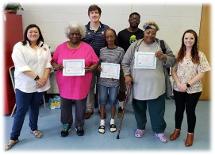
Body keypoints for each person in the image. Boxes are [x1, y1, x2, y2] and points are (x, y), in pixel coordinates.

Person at [121, 21, 175, 143]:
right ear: (144, 32)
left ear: (156, 34)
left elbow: (172, 60)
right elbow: (125, 62)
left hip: (157, 86)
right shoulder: (135, 45)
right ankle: (140, 128)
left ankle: (159, 131)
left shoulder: (162, 44)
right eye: (148, 32)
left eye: (153, 33)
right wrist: (127, 75)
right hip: (138, 85)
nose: (150, 35)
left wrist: (164, 57)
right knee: (139, 109)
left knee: (157, 111)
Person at [5, 24, 52, 150]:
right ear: (26, 33)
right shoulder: (19, 46)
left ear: (39, 33)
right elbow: (21, 66)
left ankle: (34, 129)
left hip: (39, 85)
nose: (33, 34)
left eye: (35, 32)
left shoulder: (44, 46)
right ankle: (13, 137)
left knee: (35, 107)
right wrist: (38, 78)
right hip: (24, 85)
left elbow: (48, 64)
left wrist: (44, 78)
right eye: (30, 32)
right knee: (21, 110)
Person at [51, 23, 99, 137]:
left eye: (77, 34)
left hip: (81, 82)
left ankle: (79, 124)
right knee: (65, 104)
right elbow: (53, 61)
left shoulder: (87, 48)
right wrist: (55, 66)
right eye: (72, 34)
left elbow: (96, 61)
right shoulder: (60, 47)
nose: (75, 36)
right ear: (68, 35)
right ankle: (66, 124)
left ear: (81, 34)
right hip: (65, 83)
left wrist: (92, 68)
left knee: (81, 105)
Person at [169, 29, 210, 147]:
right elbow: (173, 70)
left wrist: (187, 85)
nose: (188, 40)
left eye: (191, 38)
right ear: (183, 40)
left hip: (194, 89)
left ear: (195, 40)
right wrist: (179, 84)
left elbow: (202, 73)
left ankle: (190, 134)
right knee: (179, 110)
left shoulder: (200, 55)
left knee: (190, 111)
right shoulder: (179, 53)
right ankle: (177, 130)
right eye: (186, 38)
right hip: (178, 88)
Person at [83, 4, 109, 119]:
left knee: (101, 86)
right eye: (92, 13)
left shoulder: (106, 28)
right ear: (89, 15)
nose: (94, 14)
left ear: (100, 14)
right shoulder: (83, 29)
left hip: (102, 63)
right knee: (89, 86)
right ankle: (89, 109)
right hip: (88, 64)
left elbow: (110, 44)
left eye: (96, 12)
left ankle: (101, 108)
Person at [97, 28, 125, 134]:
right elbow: (99, 63)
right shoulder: (102, 50)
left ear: (115, 37)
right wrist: (99, 67)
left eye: (111, 36)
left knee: (113, 100)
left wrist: (117, 71)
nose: (109, 39)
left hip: (114, 81)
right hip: (103, 81)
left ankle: (112, 121)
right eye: (107, 37)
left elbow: (123, 65)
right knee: (102, 100)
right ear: (105, 38)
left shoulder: (121, 50)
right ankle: (102, 122)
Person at [117, 12, 143, 114]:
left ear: (139, 21)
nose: (134, 20)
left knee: (137, 88)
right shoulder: (121, 34)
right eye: (132, 18)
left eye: (137, 19)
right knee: (123, 87)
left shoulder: (143, 34)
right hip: (124, 65)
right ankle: (121, 106)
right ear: (129, 20)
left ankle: (137, 107)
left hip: (138, 65)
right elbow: (118, 49)